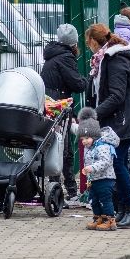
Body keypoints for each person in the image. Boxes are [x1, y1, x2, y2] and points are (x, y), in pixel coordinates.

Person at [85, 24, 130, 227]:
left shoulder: (114, 60)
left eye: (88, 43)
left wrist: (95, 114)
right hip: (119, 120)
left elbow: (117, 96)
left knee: (118, 164)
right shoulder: (104, 60)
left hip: (123, 121)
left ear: (94, 41)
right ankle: (122, 209)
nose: (88, 47)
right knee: (118, 164)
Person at [39, 24, 87, 198]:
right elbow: (77, 84)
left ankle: (56, 186)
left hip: (50, 103)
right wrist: (86, 80)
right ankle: (67, 190)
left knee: (56, 147)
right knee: (63, 150)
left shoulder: (52, 55)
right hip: (59, 106)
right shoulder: (66, 58)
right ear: (74, 43)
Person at [76, 107, 119, 231]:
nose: (84, 141)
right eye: (82, 139)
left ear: (94, 136)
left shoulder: (102, 146)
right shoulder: (89, 147)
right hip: (94, 178)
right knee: (94, 200)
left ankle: (110, 220)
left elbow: (105, 162)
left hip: (105, 178)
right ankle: (98, 217)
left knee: (105, 199)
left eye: (87, 138)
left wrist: (91, 168)